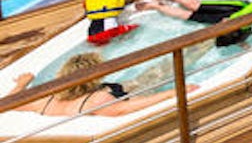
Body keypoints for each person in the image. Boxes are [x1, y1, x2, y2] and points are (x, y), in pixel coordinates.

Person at [6, 52, 192, 117]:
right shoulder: (97, 99)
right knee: (152, 77)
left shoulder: (45, 99)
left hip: (99, 94)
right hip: (120, 96)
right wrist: (172, 93)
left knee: (145, 77)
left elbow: (9, 102)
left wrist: (22, 84)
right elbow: (125, 108)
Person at [136, 0, 252, 46]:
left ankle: (156, 6)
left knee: (187, 16)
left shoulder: (228, 28)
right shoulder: (246, 14)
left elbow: (235, 38)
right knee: (195, 5)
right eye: (223, 24)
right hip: (235, 8)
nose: (222, 22)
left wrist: (244, 46)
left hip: (231, 20)